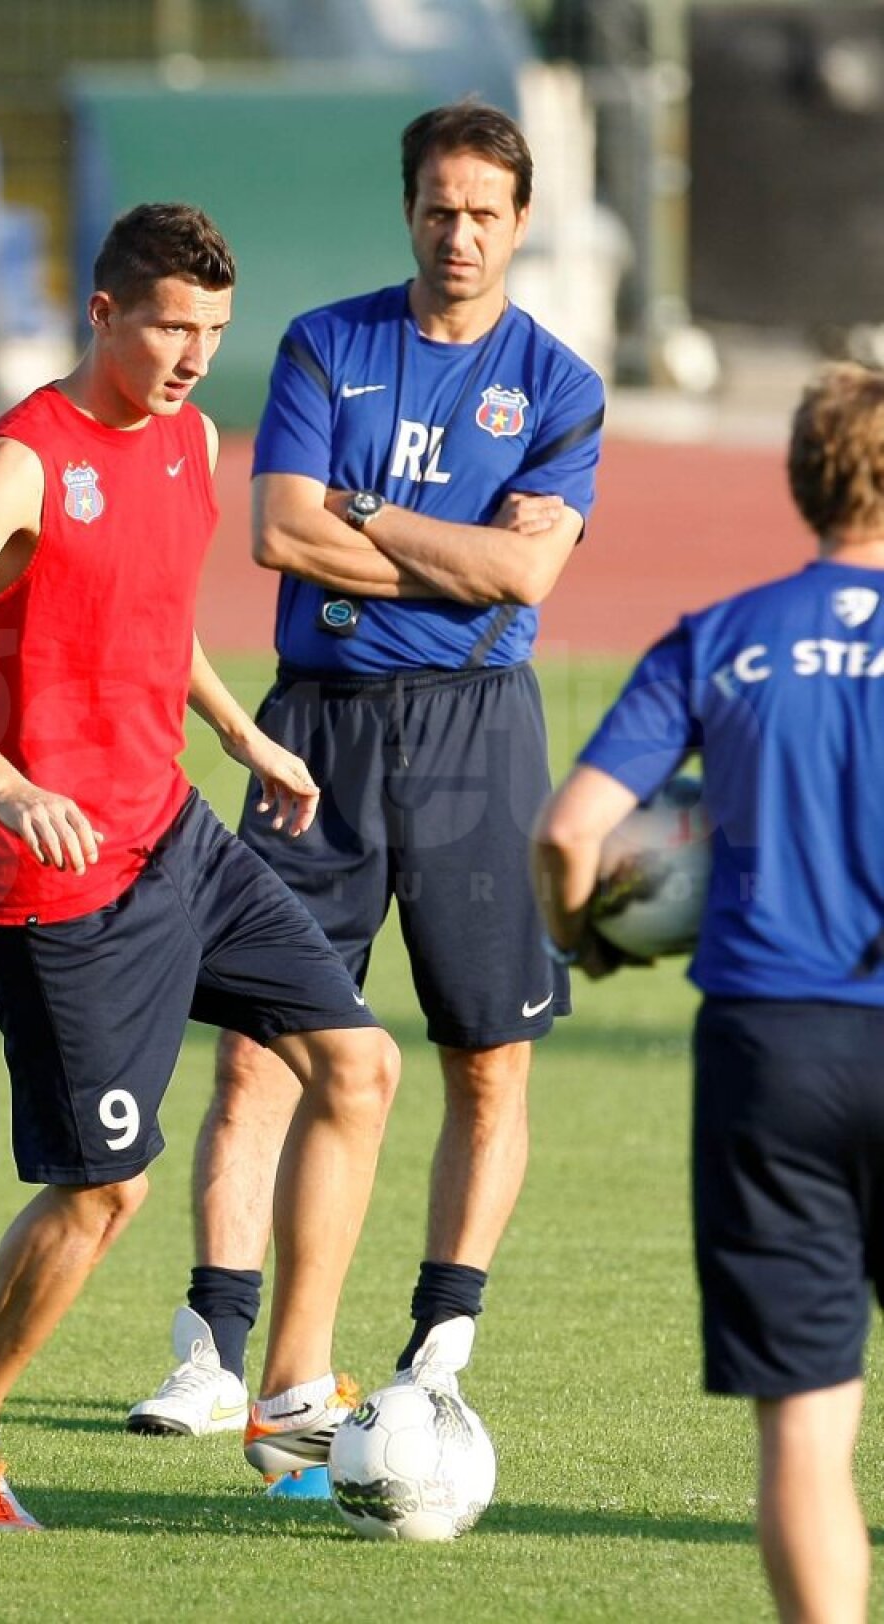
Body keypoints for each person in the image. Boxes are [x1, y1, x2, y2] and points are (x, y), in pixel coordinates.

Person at [0, 201, 401, 1530]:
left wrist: (233, 730)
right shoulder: (21, 463)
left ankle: (285, 1406)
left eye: (214, 329)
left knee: (360, 1062)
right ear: (104, 313)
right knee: (106, 1190)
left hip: (174, 837)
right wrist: (4, 781)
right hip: (52, 882)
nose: (193, 353)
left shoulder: (192, 441)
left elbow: (151, 615)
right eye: (169, 324)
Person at [128, 101, 605, 1441]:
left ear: (520, 223)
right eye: (439, 208)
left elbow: (526, 577)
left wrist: (365, 512)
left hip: (477, 735)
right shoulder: (327, 344)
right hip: (317, 733)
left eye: (485, 213)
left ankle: (434, 1352)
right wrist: (450, 550)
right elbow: (281, 532)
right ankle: (213, 1355)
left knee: (487, 1060)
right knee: (258, 1060)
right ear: (408, 210)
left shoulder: (560, 385)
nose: (460, 233)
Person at [530, 362, 884, 1623]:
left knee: (804, 1420)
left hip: (769, 1052)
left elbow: (573, 834)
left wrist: (589, 939)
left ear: (800, 481)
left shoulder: (721, 636)